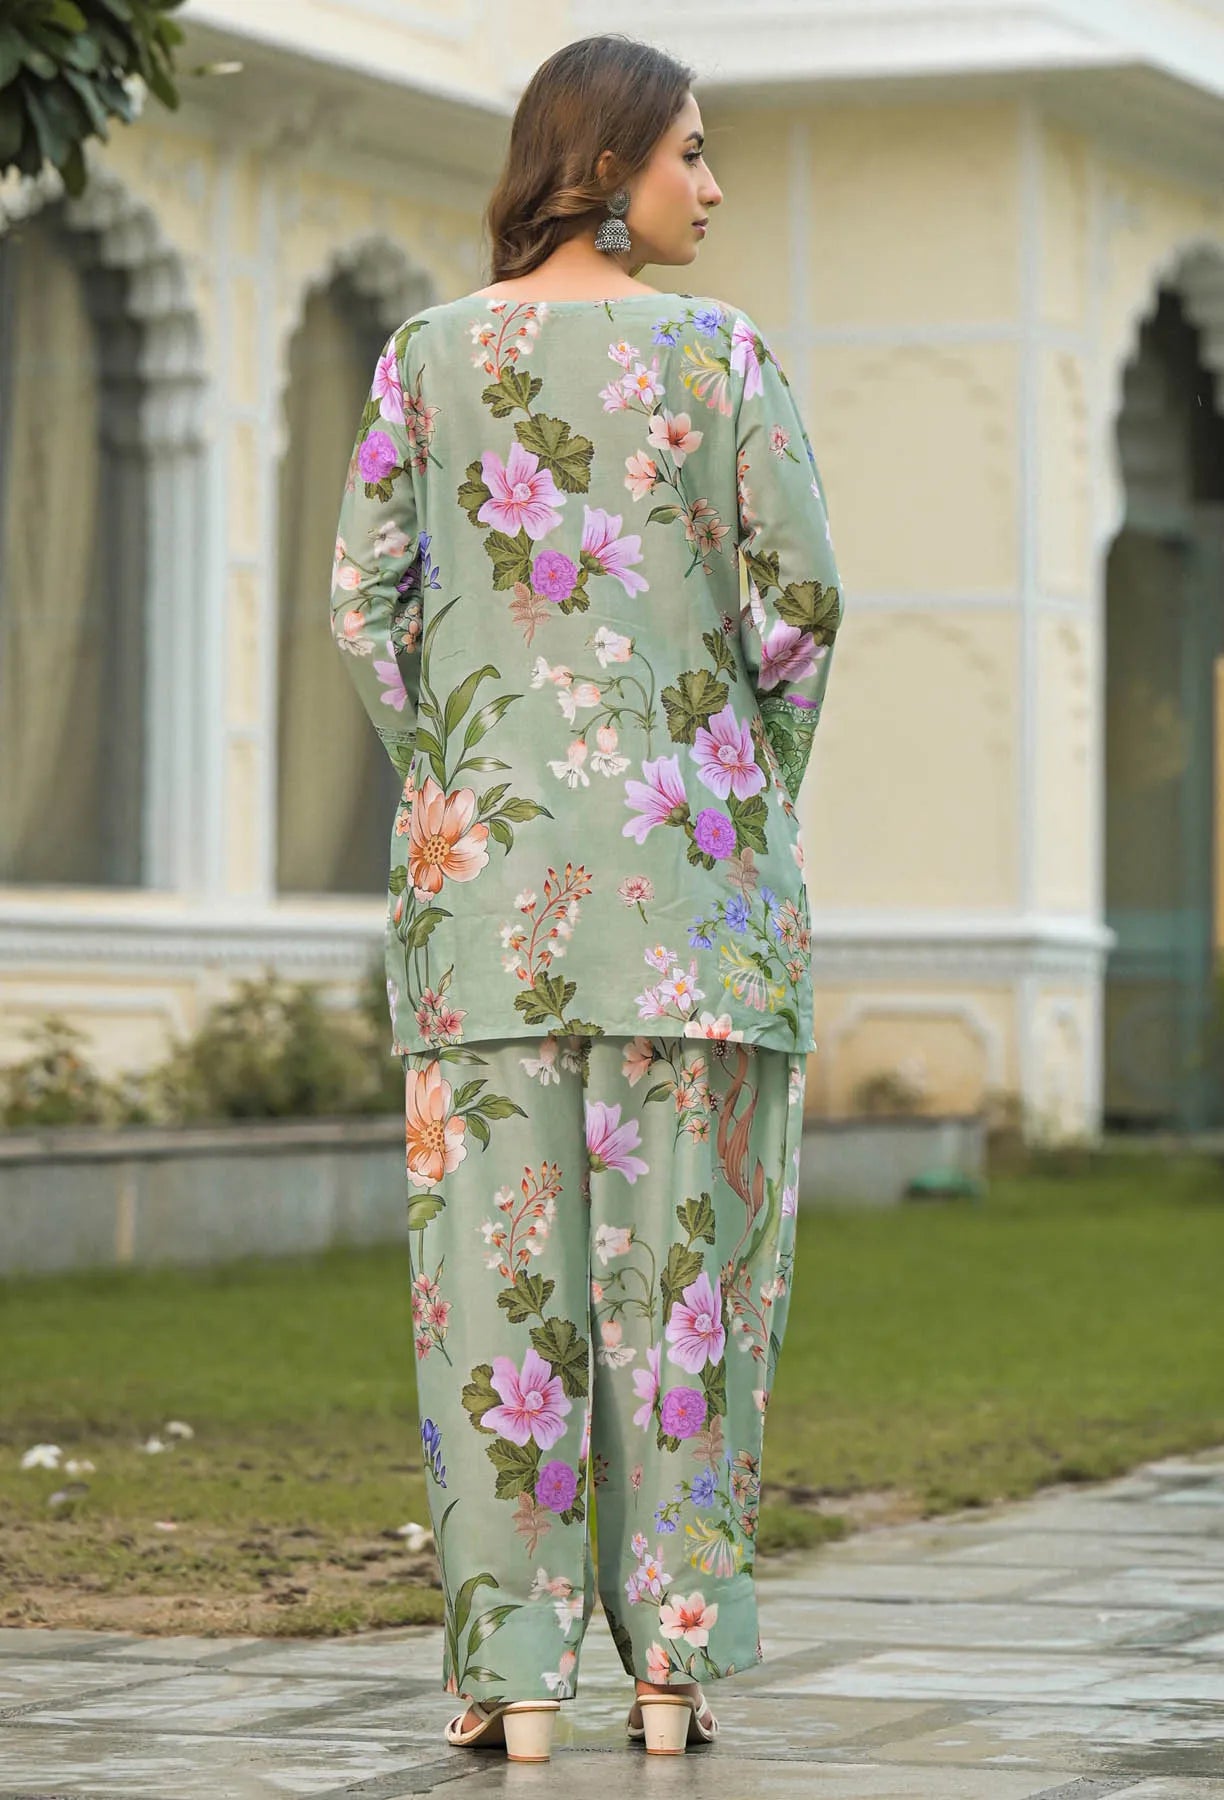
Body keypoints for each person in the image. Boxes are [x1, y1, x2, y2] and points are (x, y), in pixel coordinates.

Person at [329, 30, 843, 1762]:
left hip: (483, 916)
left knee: (497, 1303)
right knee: (682, 1301)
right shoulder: (724, 358)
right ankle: (668, 1668)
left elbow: (366, 612)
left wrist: (467, 784)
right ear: (605, 162)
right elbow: (800, 612)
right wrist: (737, 795)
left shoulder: (421, 359)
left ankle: (514, 1675)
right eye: (691, 151)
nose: (711, 185)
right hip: (698, 913)